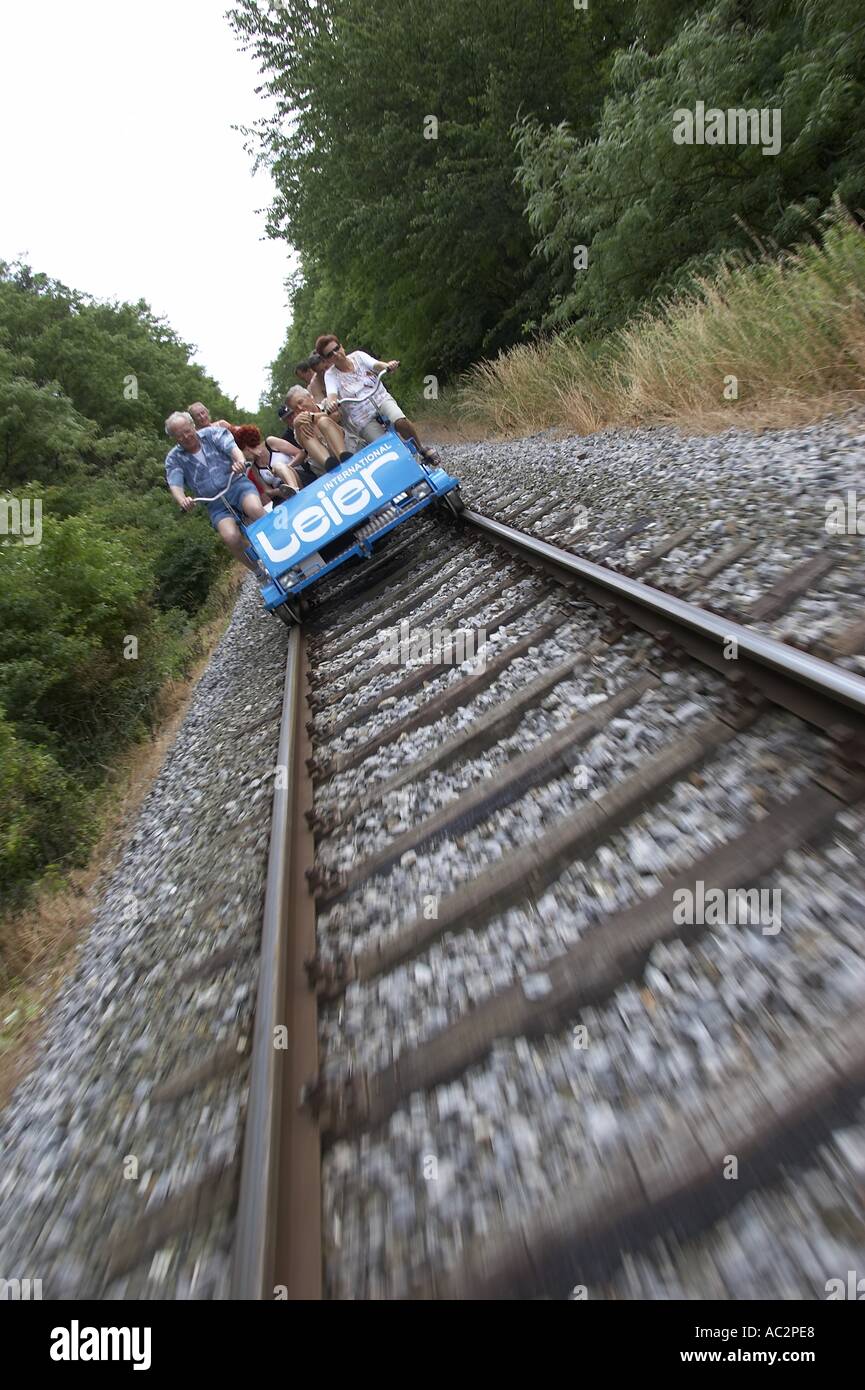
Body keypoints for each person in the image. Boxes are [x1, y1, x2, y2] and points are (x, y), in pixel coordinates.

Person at [164, 411, 269, 580]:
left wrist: (239, 462)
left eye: (187, 430)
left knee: (255, 509)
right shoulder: (173, 458)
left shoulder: (213, 434)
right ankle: (258, 572)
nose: (185, 436)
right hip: (215, 504)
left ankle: (280, 543)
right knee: (230, 537)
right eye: (179, 435)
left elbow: (232, 448)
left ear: (192, 426)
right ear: (174, 438)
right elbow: (175, 483)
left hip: (236, 485)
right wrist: (182, 499)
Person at [315, 335, 440, 463]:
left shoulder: (358, 356)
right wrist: (332, 403)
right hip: (361, 416)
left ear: (342, 347)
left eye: (337, 348)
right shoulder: (330, 375)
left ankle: (421, 448)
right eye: (330, 354)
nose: (336, 354)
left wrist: (388, 366)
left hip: (380, 398)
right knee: (383, 445)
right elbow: (332, 395)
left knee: (399, 420)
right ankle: (405, 466)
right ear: (326, 360)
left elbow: (376, 365)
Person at [231, 423, 316, 499]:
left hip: (300, 477)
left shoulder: (270, 442)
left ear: (246, 448)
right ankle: (291, 492)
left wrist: (287, 467)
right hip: (282, 493)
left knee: (278, 466)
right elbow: (268, 491)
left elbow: (300, 454)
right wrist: (281, 490)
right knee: (279, 470)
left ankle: (293, 490)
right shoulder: (254, 468)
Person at [281, 386, 353, 475]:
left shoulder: (327, 403)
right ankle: (329, 464)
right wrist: (296, 426)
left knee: (323, 421)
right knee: (304, 432)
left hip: (349, 447)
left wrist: (313, 417)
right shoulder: (299, 426)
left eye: (300, 402)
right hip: (326, 467)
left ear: (310, 397)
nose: (299, 408)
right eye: (295, 408)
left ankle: (345, 456)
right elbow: (302, 444)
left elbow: (336, 416)